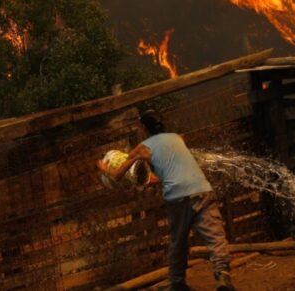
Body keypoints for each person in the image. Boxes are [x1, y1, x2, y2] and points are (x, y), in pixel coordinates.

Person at [98, 110, 234, 291]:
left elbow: (117, 176)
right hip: (202, 189)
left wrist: (102, 167)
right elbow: (170, 170)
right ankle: (222, 275)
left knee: (178, 241)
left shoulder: (142, 148)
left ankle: (177, 283)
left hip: (178, 197)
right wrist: (147, 179)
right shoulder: (178, 138)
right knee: (215, 235)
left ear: (143, 128)